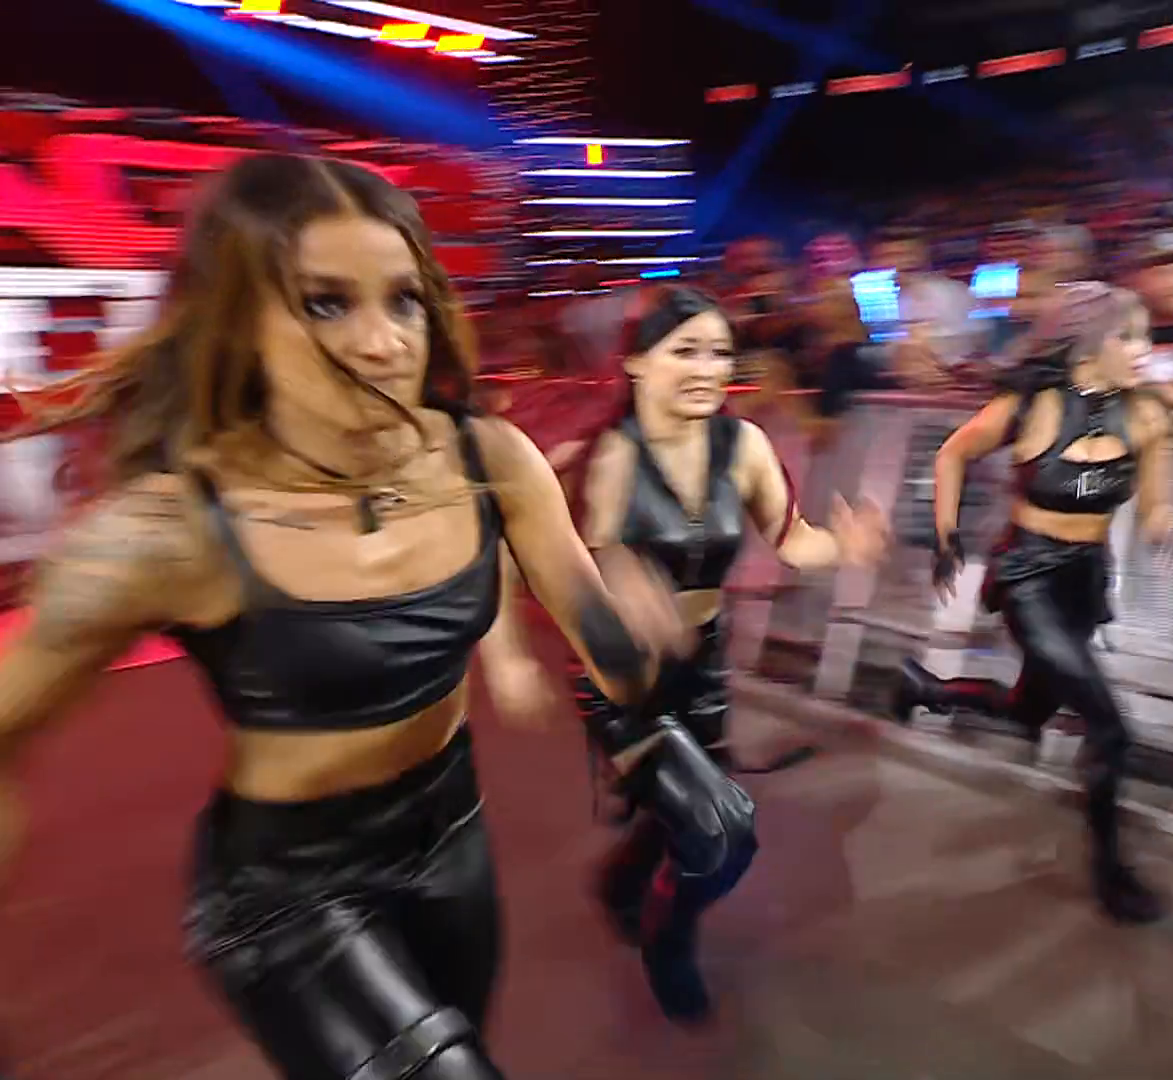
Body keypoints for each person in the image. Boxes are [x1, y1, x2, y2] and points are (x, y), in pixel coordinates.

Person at [0, 154, 718, 1080]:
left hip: (452, 842)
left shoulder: (490, 460)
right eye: (325, 304)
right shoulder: (170, 530)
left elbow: (617, 668)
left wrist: (640, 624)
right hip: (287, 894)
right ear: (238, 324)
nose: (384, 344)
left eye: (404, 300)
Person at [489, 285, 891, 1022]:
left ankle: (620, 882)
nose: (708, 369)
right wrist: (541, 633)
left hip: (702, 663)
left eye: (720, 353)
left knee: (677, 806)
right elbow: (536, 554)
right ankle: (666, 938)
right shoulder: (607, 455)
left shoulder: (743, 447)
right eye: (686, 351)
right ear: (637, 363)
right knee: (724, 830)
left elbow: (793, 540)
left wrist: (846, 545)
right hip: (622, 674)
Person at [889, 282, 1173, 925]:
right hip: (1029, 578)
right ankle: (1112, 875)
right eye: (1128, 336)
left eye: (1146, 336)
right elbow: (952, 453)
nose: (1144, 349)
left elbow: (1157, 503)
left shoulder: (1148, 415)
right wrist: (946, 537)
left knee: (1028, 712)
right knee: (1110, 728)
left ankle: (925, 689)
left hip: (1084, 580)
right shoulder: (1031, 406)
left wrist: (1164, 523)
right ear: (1089, 344)